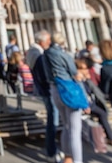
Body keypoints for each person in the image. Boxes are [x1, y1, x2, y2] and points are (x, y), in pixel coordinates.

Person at [44, 32, 86, 163]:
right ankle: (77, 160)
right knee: (75, 130)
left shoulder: (45, 55)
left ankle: (67, 157)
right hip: (69, 91)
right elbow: (74, 72)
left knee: (66, 126)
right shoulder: (63, 54)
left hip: (55, 90)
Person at [26, 30, 62, 163]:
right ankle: (51, 151)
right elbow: (44, 76)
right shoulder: (39, 55)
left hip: (43, 90)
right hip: (48, 91)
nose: (49, 43)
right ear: (41, 42)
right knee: (53, 122)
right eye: (48, 41)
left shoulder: (32, 52)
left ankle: (51, 149)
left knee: (53, 120)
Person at [75, 58, 112, 149]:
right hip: (85, 105)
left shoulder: (85, 80)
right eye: (84, 69)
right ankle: (110, 138)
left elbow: (96, 91)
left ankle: (109, 137)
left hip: (91, 104)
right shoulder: (77, 81)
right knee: (102, 114)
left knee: (102, 113)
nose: (87, 71)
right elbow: (81, 94)